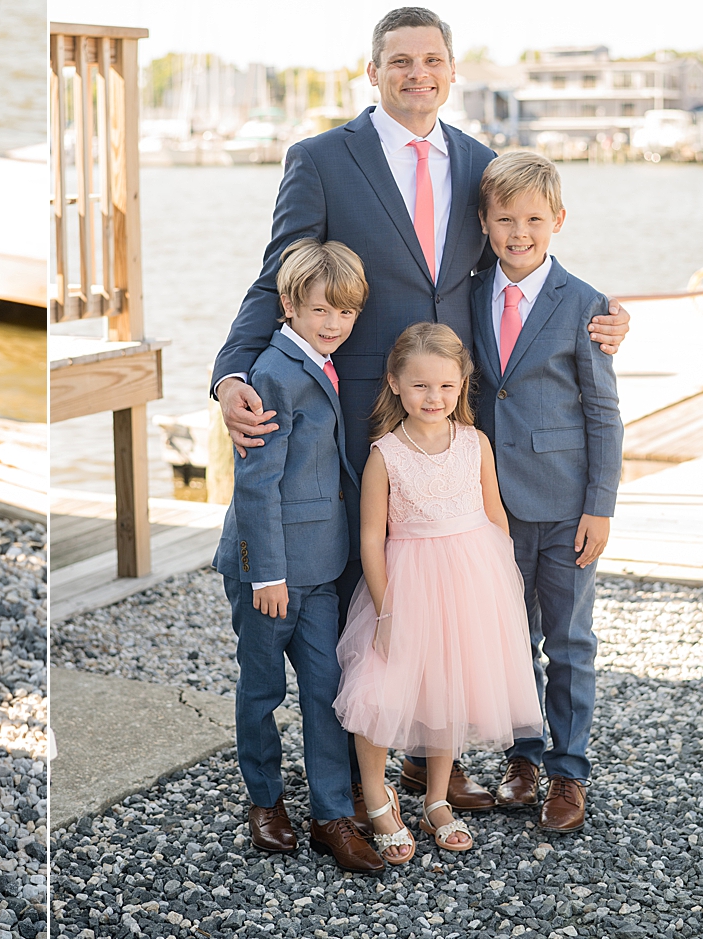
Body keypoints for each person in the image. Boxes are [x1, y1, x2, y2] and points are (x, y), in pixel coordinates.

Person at [212, 6, 628, 814]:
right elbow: (277, 279)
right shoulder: (321, 159)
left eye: (432, 59)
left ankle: (422, 755)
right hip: (353, 418)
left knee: (436, 592)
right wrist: (230, 373)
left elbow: (524, 247)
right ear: (372, 71)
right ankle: (350, 776)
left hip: (448, 419)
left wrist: (601, 315)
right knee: (359, 590)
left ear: (450, 70)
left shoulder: (478, 162)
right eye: (399, 60)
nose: (417, 74)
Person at [333, 323, 542, 857]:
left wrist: (500, 583)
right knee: (381, 687)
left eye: (446, 387)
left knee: (452, 682)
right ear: (395, 383)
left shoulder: (474, 443)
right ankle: (378, 797)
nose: (434, 397)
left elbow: (494, 514)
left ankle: (435, 798)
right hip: (408, 581)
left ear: (462, 385)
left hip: (472, 575)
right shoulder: (385, 453)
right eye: (421, 385)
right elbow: (371, 539)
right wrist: (385, 611)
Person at [212, 239, 384, 874]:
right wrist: (268, 573)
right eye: (319, 311)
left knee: (326, 688)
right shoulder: (272, 374)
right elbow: (256, 483)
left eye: (344, 313)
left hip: (323, 567)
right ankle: (264, 800)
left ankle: (332, 812)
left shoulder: (329, 361)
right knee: (261, 689)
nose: (333, 324)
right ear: (287, 306)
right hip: (271, 572)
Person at [469, 150, 622, 833]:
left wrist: (600, 504)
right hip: (489, 504)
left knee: (568, 639)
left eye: (533, 218)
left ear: (557, 220)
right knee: (509, 639)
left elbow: (602, 413)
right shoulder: (469, 292)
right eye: (506, 219)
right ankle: (522, 755)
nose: (519, 232)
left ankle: (569, 769)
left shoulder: (584, 304)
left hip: (565, 507)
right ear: (485, 221)